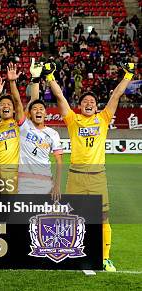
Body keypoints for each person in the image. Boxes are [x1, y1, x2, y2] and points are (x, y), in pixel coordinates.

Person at [44, 61, 135, 272]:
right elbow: (60, 98)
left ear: (96, 106)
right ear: (80, 105)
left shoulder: (103, 119)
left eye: (92, 101)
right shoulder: (73, 120)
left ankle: (105, 258)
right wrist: (50, 77)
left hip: (97, 176)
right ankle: (74, 254)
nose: (88, 103)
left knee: (103, 218)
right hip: (76, 175)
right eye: (85, 101)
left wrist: (128, 76)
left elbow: (115, 97)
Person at [18, 59, 63, 197]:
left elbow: (59, 162)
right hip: (24, 182)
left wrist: (57, 185)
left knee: (43, 218)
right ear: (30, 113)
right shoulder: (25, 126)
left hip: (45, 182)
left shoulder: (53, 134)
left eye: (41, 109)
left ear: (46, 113)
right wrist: (35, 78)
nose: (38, 111)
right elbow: (33, 99)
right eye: (35, 109)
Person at [0, 63, 26, 194]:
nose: (6, 106)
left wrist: (12, 82)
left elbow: (17, 102)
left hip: (12, 171)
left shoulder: (18, 123)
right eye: (2, 104)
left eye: (8, 104)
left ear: (13, 109)